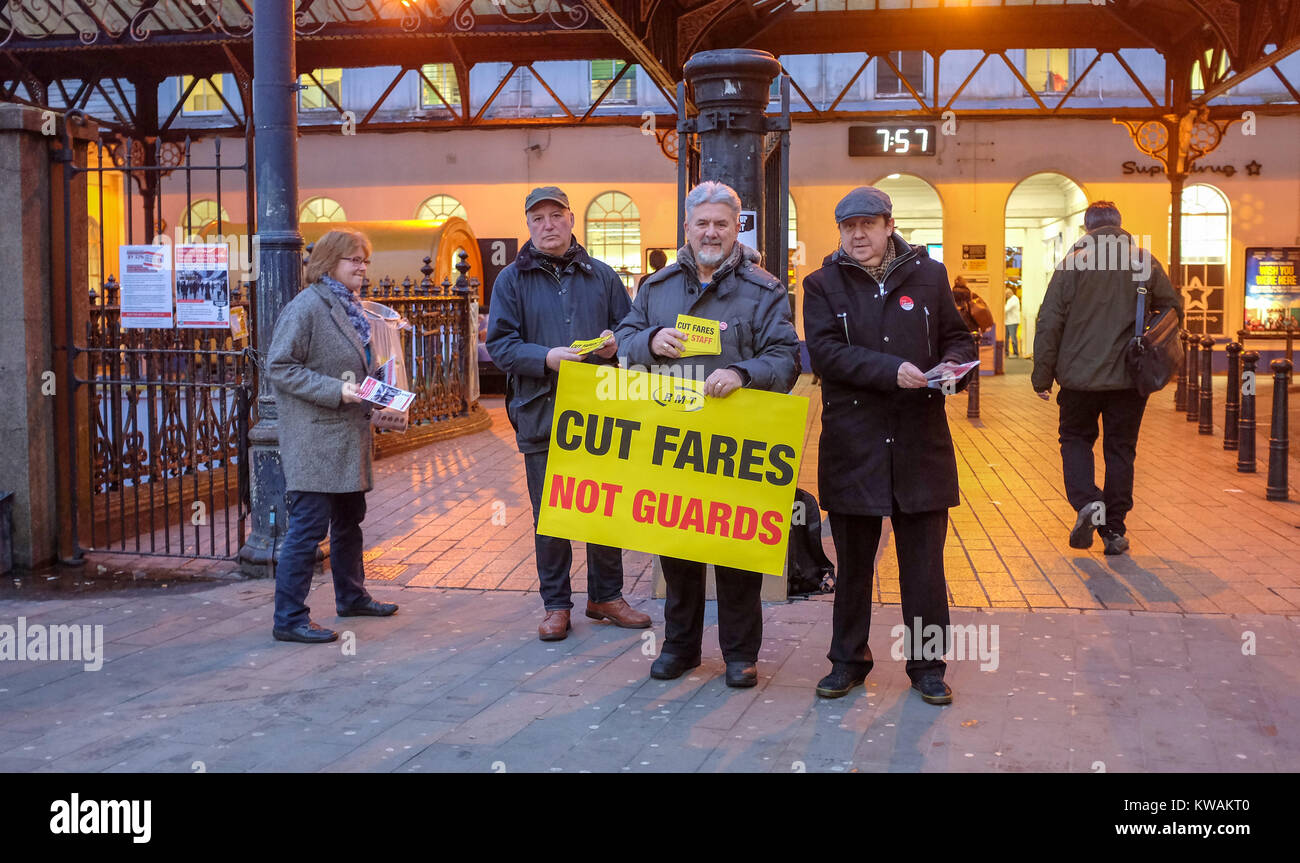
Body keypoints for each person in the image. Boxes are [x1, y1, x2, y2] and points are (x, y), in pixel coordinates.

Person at [614, 180, 800, 688]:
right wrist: (650, 340)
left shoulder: (765, 290)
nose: (711, 232)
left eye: (721, 223)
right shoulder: (655, 288)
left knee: (736, 554)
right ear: (687, 228)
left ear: (736, 227)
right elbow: (623, 340)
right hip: (672, 441)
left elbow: (786, 359)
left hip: (736, 445)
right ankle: (681, 648)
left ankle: (740, 654)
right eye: (702, 223)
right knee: (676, 552)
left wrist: (742, 373)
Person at [802, 186, 975, 705]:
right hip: (854, 447)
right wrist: (889, 371)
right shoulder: (821, 284)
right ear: (839, 232)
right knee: (854, 565)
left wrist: (955, 369)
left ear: (888, 225)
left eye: (868, 225)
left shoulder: (930, 275)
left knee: (923, 568)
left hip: (921, 444)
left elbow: (957, 337)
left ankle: (927, 667)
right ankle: (847, 662)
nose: (858, 235)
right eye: (848, 227)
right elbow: (826, 353)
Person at [487, 186, 651, 641]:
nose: (547, 225)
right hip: (541, 411)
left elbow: (630, 329)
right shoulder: (511, 281)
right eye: (537, 218)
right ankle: (556, 605)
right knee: (551, 514)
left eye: (555, 215)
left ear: (571, 219)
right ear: (528, 225)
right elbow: (500, 346)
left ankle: (606, 596)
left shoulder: (601, 276)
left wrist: (619, 343)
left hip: (598, 411)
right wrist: (546, 358)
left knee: (603, 507)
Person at [267, 228, 399, 644]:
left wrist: (382, 391)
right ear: (328, 263)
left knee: (349, 522)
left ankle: (352, 596)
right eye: (353, 260)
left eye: (365, 260)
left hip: (346, 435)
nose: (362, 267)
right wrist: (334, 389)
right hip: (316, 438)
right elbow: (280, 366)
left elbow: (361, 366)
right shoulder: (306, 307)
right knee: (307, 529)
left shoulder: (352, 307)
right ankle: (288, 618)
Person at [1032, 201, 1182, 555]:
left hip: (1077, 379)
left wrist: (1042, 375)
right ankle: (1114, 530)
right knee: (1120, 451)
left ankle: (1087, 501)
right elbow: (1173, 308)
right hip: (1129, 378)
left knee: (1075, 439)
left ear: (1087, 229)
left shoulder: (1072, 263)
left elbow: (1049, 321)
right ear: (1119, 225)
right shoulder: (1143, 259)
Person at [1005, 287, 1021, 357]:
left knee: (1013, 338)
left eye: (1006, 294)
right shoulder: (1010, 300)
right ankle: (1006, 352)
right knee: (1006, 338)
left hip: (1013, 322)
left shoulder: (1014, 299)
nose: (1005, 296)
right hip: (1008, 321)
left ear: (1009, 293)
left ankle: (1016, 353)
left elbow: (1006, 309)